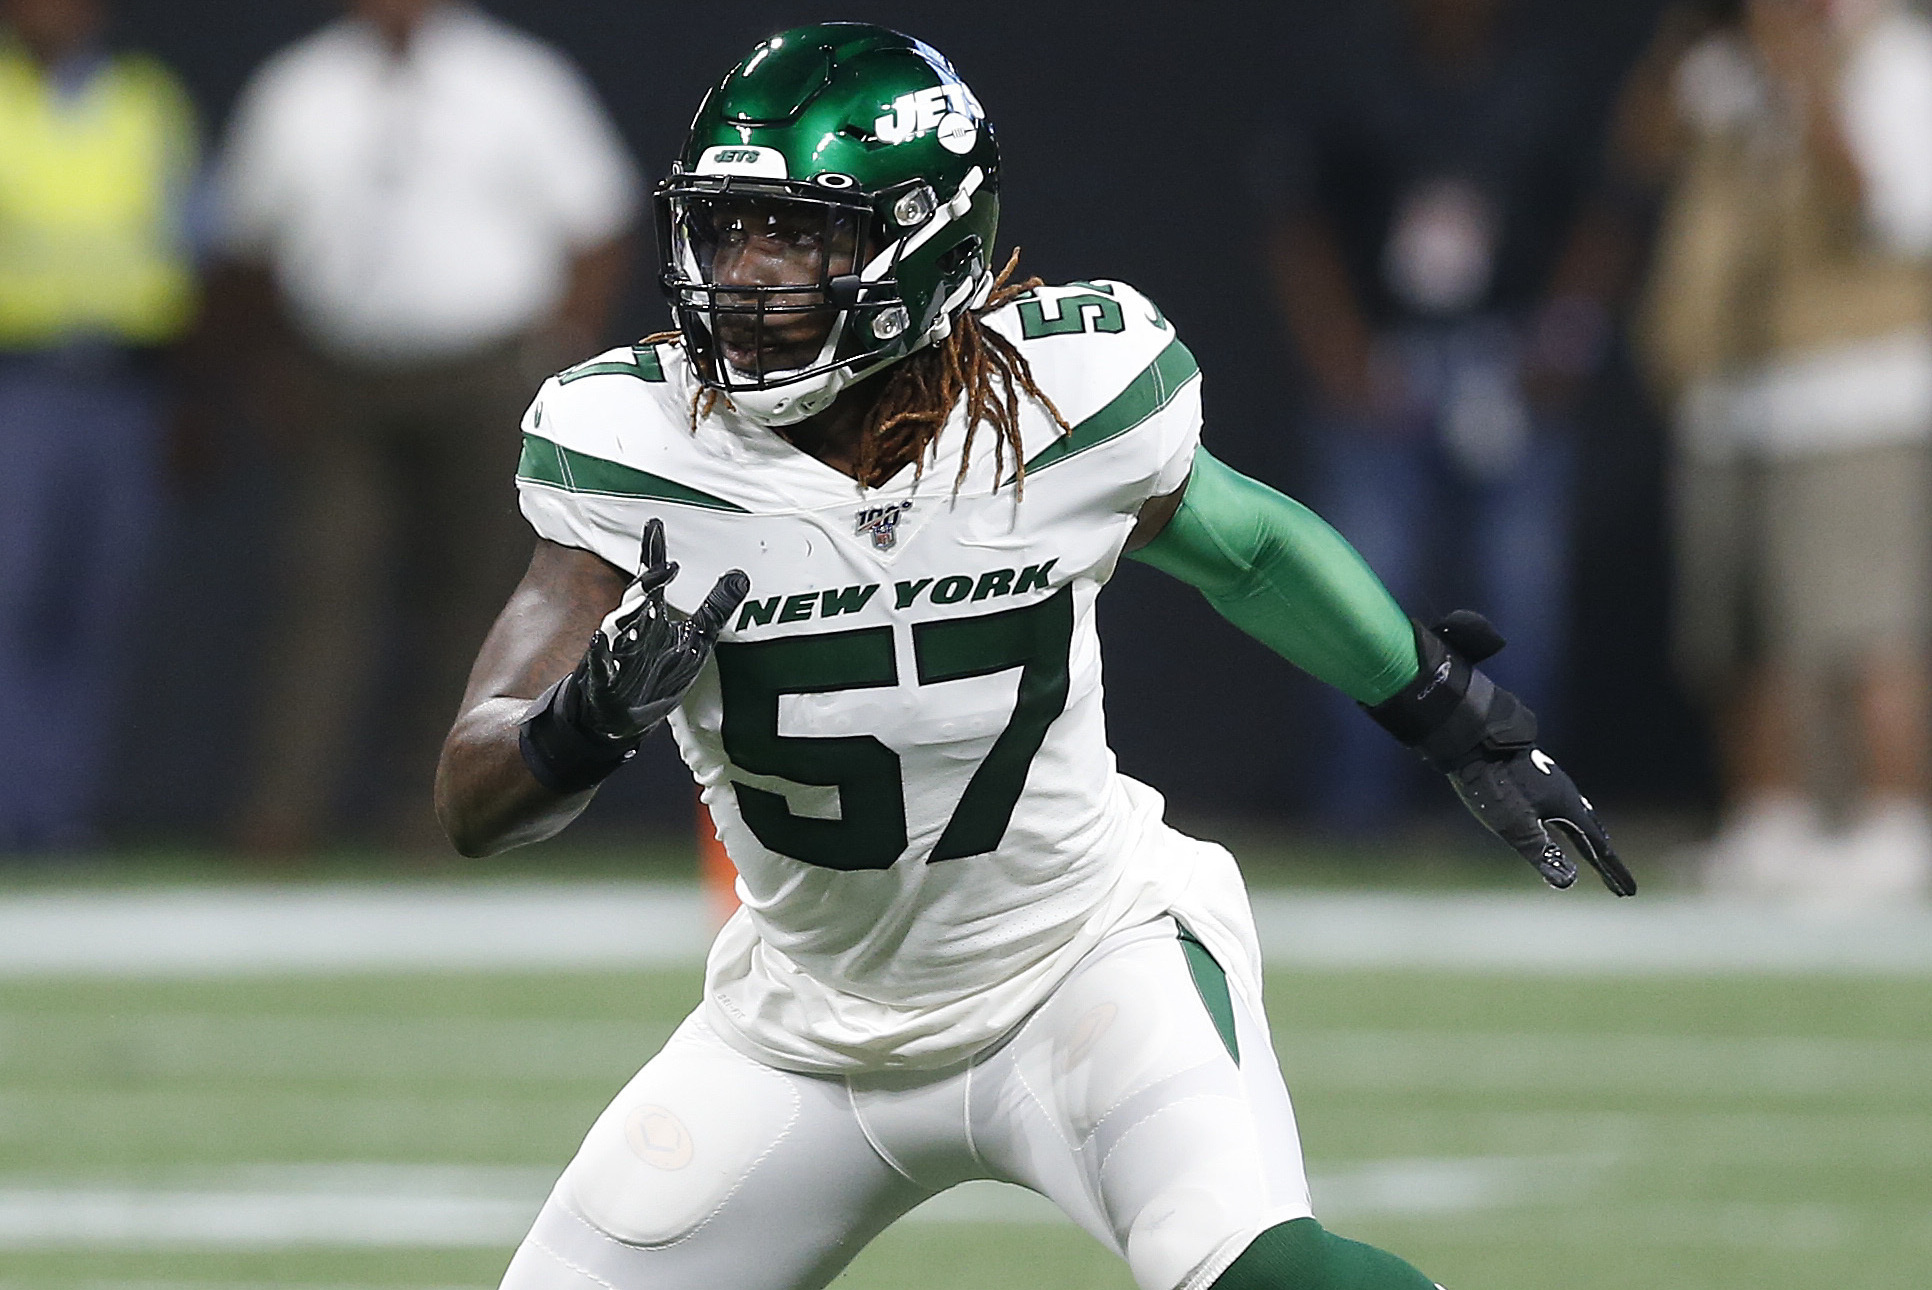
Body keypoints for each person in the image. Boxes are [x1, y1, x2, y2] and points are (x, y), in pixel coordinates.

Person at [436, 25, 1633, 1290]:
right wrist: (583, 723)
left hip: (1083, 966)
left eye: (796, 234)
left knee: (1252, 1271)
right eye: (727, 230)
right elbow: (471, 796)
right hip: (802, 1026)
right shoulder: (636, 444)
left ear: (924, 241)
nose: (744, 276)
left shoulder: (1066, 394)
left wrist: (1445, 705)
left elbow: (1249, 548)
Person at [208, 0, 641, 855]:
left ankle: (438, 816)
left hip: (482, 371)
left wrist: (558, 352)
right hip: (345, 375)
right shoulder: (299, 88)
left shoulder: (516, 79)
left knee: (481, 598)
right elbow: (247, 246)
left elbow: (598, 219)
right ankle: (284, 816)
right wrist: (267, 368)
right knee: (325, 590)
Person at [1263, 0, 1643, 835]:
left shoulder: (1545, 77)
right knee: (1355, 593)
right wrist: (1338, 350)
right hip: (1387, 359)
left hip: (1508, 355)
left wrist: (1563, 342)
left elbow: (1599, 213)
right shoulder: (1357, 71)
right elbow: (1302, 219)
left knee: (1519, 596)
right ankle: (1353, 814)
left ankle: (1527, 805)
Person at [1639, 0, 1932, 902]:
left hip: (1852, 391)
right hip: (1736, 390)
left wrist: (1810, 76)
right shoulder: (1730, 65)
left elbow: (1889, 209)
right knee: (1744, 630)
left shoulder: (1896, 61)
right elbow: (1643, 147)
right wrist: (1696, 33)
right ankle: (1773, 815)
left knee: (1860, 626)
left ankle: (1893, 820)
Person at [0, 0, 198, 852]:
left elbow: (200, 239)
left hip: (125, 384)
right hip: (18, 381)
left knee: (94, 605)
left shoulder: (143, 102)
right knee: (11, 596)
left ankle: (54, 816)